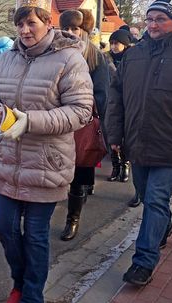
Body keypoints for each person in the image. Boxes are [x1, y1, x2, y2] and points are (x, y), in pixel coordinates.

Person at [0, 0, 93, 301]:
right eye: (20, 24)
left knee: (35, 235)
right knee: (3, 226)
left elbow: (81, 111)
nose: (25, 30)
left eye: (31, 23)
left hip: (47, 161)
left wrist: (30, 121)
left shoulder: (69, 60)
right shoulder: (7, 59)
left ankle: (32, 295)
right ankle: (20, 281)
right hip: (9, 159)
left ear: (48, 22)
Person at [105, 0, 172, 286]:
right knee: (148, 197)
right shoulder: (135, 54)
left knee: (155, 200)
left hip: (171, 142)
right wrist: (115, 135)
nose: (153, 25)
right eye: (149, 19)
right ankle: (163, 226)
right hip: (137, 142)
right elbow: (116, 97)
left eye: (160, 19)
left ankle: (143, 262)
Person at [58, 9, 110, 241]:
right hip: (57, 122)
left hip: (83, 125)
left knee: (80, 171)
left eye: (75, 29)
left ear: (84, 31)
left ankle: (73, 219)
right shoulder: (54, 53)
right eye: (66, 29)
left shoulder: (95, 57)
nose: (70, 33)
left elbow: (102, 95)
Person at [104, 29, 142, 208]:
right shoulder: (106, 59)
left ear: (125, 44)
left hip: (130, 106)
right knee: (112, 136)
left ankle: (125, 165)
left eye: (116, 43)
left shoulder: (134, 59)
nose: (113, 46)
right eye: (111, 43)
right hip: (111, 104)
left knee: (126, 139)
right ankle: (116, 167)